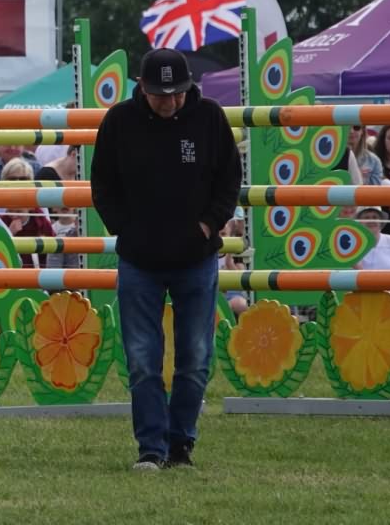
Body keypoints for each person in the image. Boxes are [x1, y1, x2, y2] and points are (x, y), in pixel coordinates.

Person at [91, 48, 239, 473]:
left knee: (195, 356)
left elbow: (230, 178)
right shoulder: (119, 122)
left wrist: (209, 224)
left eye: (178, 93)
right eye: (161, 94)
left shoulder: (210, 118)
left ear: (189, 87)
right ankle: (150, 448)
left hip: (197, 259)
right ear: (142, 87)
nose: (170, 101)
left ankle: (181, 444)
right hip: (138, 260)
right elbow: (102, 183)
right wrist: (125, 228)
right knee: (142, 358)